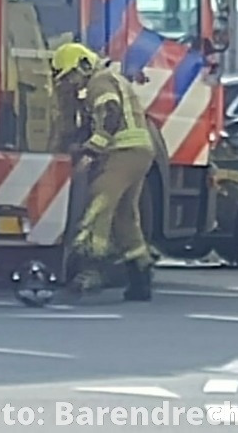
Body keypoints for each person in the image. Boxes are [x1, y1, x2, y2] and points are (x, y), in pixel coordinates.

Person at [51, 42, 155, 300]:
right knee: (124, 217)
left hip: (124, 151)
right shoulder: (104, 80)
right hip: (137, 152)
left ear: (83, 66)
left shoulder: (99, 81)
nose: (72, 83)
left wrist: (91, 150)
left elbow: (110, 113)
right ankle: (140, 278)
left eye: (72, 76)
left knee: (98, 201)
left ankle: (90, 269)